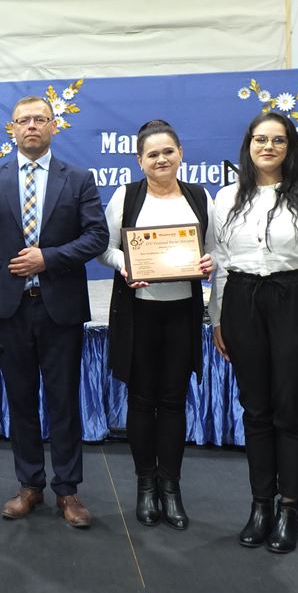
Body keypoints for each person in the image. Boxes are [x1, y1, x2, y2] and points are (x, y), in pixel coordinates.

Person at [210, 112, 298, 553]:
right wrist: (217, 318)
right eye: (260, 139)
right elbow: (220, 263)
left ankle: (289, 507)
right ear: (248, 145)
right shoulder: (227, 196)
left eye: (277, 140)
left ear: (290, 147)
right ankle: (261, 506)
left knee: (290, 408)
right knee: (255, 408)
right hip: (243, 301)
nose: (268, 147)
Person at [0, 95, 108, 528]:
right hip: (9, 311)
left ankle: (68, 490)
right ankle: (29, 485)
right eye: (23, 120)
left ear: (53, 126)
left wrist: (48, 258)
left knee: (64, 401)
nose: (31, 126)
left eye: (39, 119)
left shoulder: (78, 179)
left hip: (60, 309)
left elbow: (97, 236)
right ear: (12, 129)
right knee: (21, 400)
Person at [99, 119, 214, 530]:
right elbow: (104, 249)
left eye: (168, 151)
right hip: (139, 314)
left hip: (182, 313)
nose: (161, 159)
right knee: (142, 401)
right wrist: (126, 265)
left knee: (174, 401)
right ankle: (145, 486)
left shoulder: (199, 197)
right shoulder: (126, 196)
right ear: (140, 160)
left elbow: (214, 251)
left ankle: (171, 488)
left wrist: (209, 263)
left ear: (180, 153)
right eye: (152, 154)